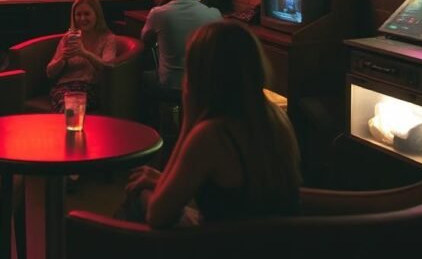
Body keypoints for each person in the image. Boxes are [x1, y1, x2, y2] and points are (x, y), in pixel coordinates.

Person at [120, 21, 301, 228]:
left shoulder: (212, 135)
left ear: (202, 73)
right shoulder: (277, 119)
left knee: (138, 196)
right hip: (266, 244)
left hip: (221, 247)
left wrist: (188, 121)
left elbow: (158, 215)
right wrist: (163, 181)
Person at [142, 0, 223, 97]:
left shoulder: (157, 14)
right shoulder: (214, 15)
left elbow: (145, 39)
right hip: (200, 87)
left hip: (168, 85)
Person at [46, 0, 117, 112]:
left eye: (87, 14)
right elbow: (49, 72)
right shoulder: (69, 37)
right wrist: (62, 58)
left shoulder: (108, 38)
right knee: (66, 105)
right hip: (64, 87)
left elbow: (108, 68)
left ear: (97, 15)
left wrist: (84, 53)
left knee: (70, 108)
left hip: (90, 87)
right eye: (78, 15)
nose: (82, 19)